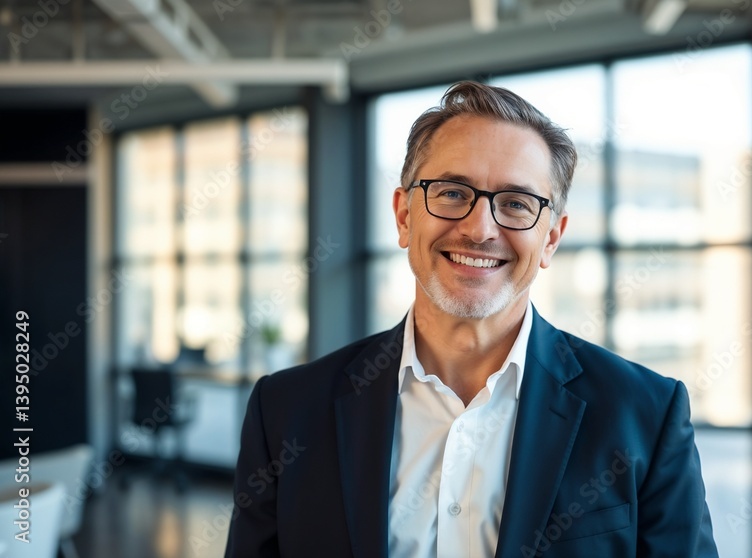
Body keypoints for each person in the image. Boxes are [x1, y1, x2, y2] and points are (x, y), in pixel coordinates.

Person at [224, 80, 718, 558]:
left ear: (550, 239)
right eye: (453, 193)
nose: (480, 230)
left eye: (516, 204)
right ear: (404, 216)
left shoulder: (646, 416)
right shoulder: (287, 411)